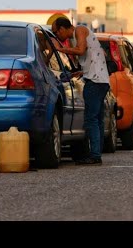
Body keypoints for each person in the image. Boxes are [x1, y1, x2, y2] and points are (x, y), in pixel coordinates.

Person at [52, 16, 110, 165]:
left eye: (56, 32)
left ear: (63, 28)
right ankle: (97, 153)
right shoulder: (79, 34)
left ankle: (95, 155)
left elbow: (81, 49)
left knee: (91, 119)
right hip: (100, 80)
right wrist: (83, 72)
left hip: (95, 82)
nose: (57, 36)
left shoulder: (80, 30)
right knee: (97, 119)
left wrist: (60, 49)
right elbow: (96, 56)